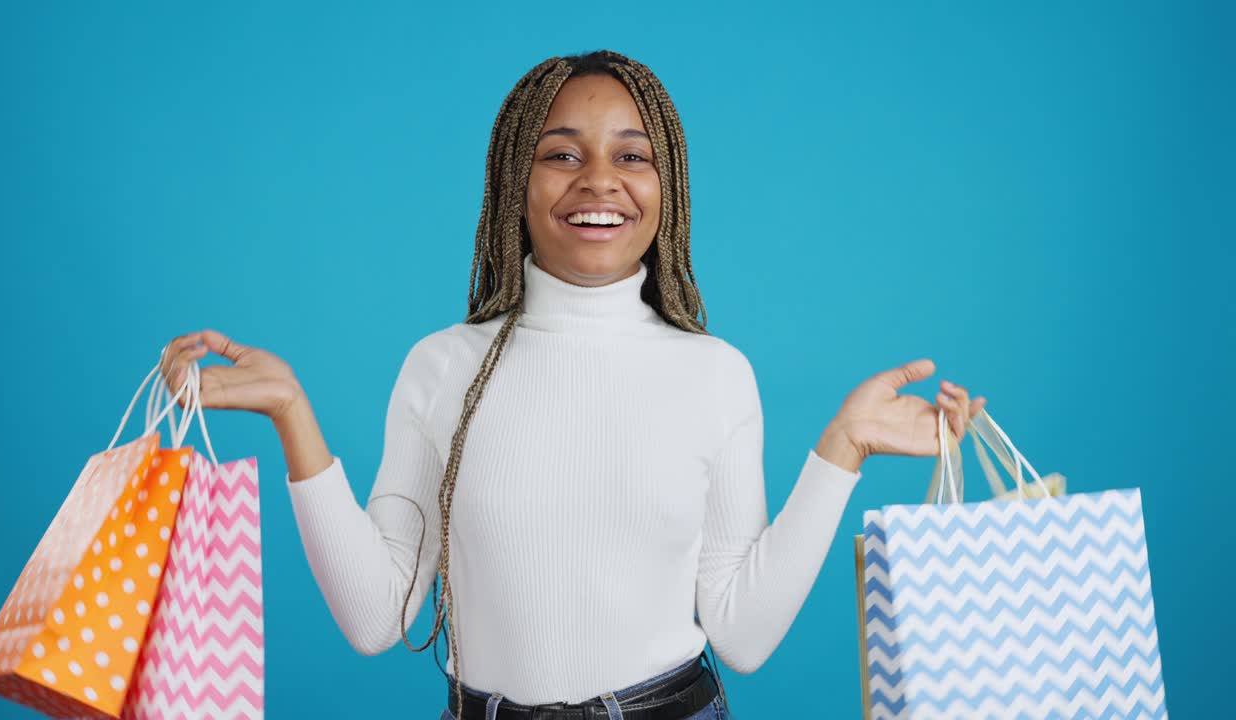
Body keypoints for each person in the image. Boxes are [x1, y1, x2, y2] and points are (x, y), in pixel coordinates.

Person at [156, 50, 985, 720]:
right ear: (515, 181)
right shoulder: (442, 368)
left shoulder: (716, 375)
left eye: (632, 155)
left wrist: (844, 447)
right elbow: (378, 619)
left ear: (667, 191)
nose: (599, 180)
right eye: (561, 154)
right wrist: (292, 416)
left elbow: (743, 634)